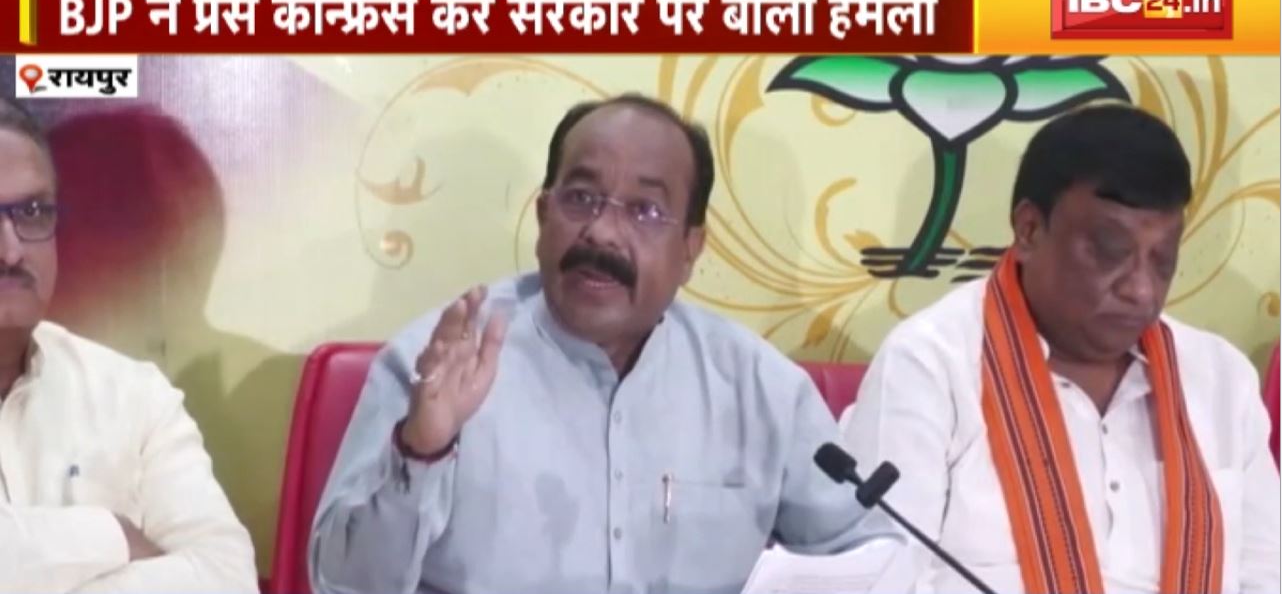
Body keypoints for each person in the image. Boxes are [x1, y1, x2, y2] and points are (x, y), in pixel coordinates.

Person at [310, 94, 899, 594]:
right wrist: (422, 451)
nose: (602, 232)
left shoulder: (759, 389)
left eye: (645, 210)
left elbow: (872, 560)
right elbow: (339, 584)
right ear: (544, 216)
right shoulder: (436, 367)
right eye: (581, 198)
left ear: (691, 248)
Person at [839, 103, 1280, 594]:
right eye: (1110, 252)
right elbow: (876, 579)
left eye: (1163, 260)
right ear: (1029, 230)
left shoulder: (1222, 379)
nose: (1141, 290)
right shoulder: (929, 365)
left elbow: (1267, 576)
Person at [0, 98, 258, 593]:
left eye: (32, 212)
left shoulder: (133, 394)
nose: (11, 250)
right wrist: (111, 534)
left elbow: (227, 576)